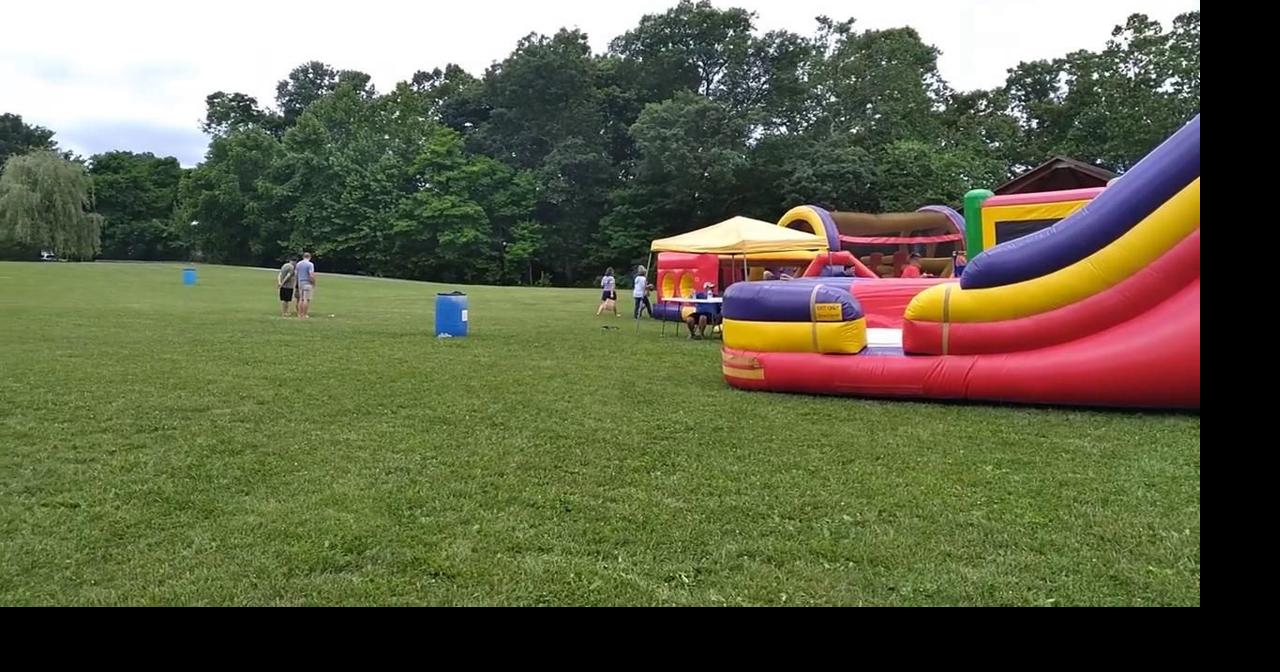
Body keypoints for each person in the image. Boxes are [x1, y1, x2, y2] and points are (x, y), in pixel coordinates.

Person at [296, 251, 317, 319]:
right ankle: (304, 314)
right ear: (309, 257)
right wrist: (313, 282)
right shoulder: (310, 264)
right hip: (307, 283)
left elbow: (296, 273)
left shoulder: (298, 264)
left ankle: (299, 314)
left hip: (300, 282)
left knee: (300, 299)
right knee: (306, 299)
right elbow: (311, 274)